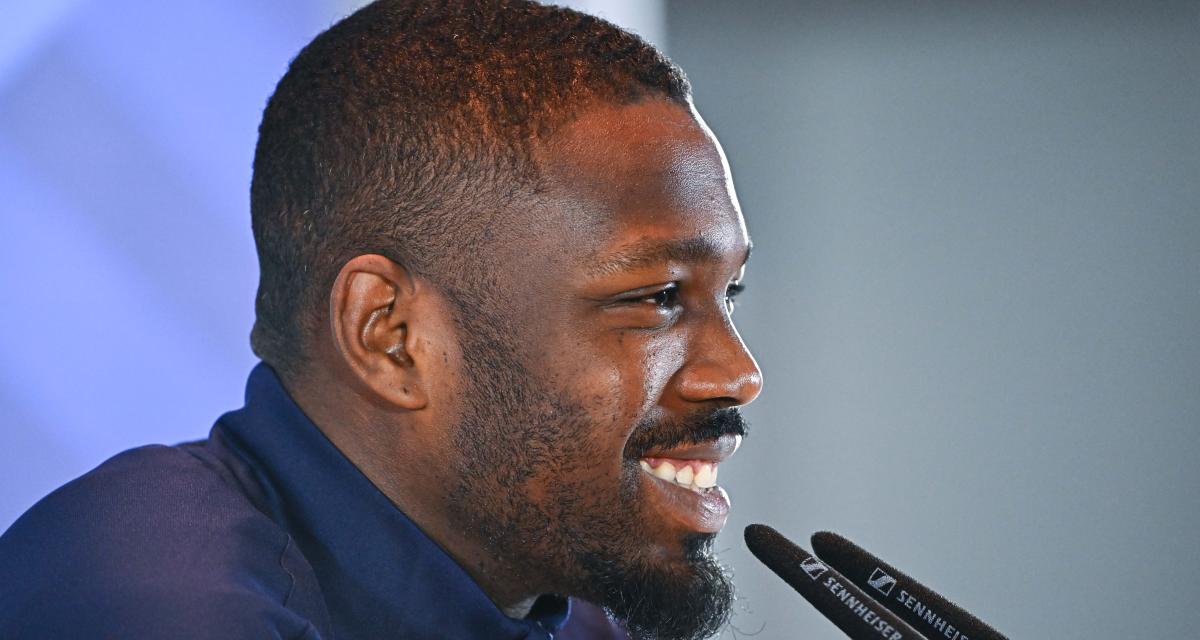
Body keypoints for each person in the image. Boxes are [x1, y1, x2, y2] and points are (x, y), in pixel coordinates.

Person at [0, 0, 762, 638]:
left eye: (728, 294)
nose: (739, 374)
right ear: (389, 337)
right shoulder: (160, 604)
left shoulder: (574, 611)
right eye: (656, 298)